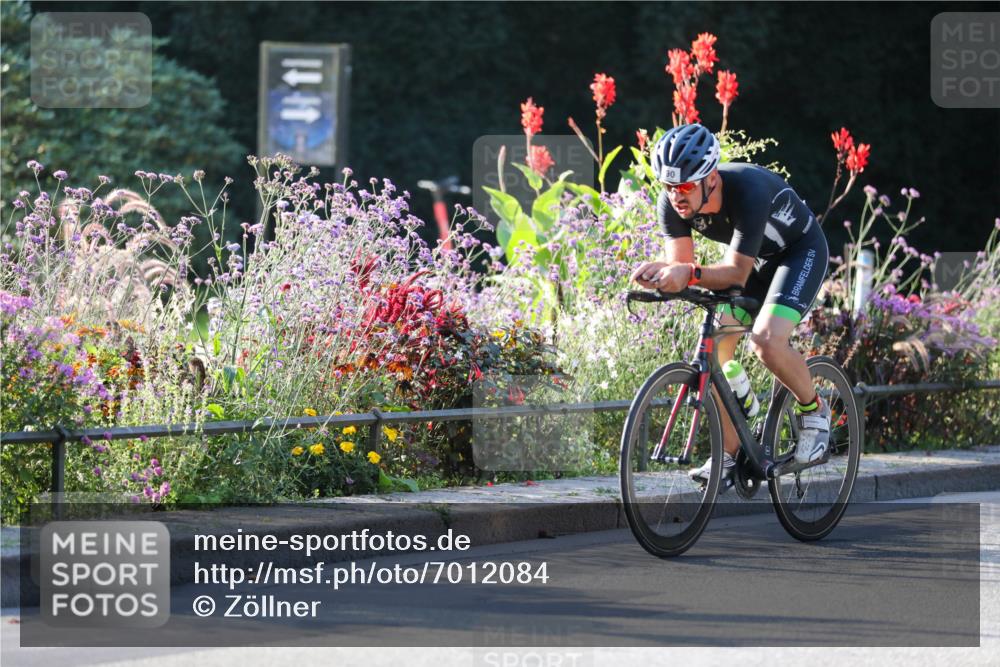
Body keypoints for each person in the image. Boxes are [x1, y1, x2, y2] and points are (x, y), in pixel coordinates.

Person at [630, 123, 831, 484]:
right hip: (756, 261)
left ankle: (815, 412)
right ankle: (730, 452)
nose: (677, 195)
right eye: (669, 186)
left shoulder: (748, 190)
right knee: (714, 353)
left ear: (711, 179)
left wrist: (686, 274)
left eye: (687, 186)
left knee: (766, 341)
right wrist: (661, 276)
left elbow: (735, 274)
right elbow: (682, 263)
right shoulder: (673, 202)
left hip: (798, 254)